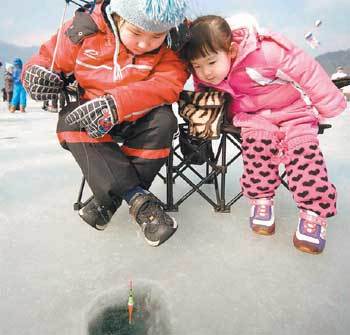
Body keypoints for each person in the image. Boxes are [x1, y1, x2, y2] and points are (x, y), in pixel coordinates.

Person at [23, 0, 189, 246]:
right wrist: (34, 73)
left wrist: (116, 104)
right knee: (70, 120)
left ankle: (106, 202)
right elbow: (48, 58)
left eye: (156, 36)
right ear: (117, 17)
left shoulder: (171, 44)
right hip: (91, 117)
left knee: (164, 120)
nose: (145, 44)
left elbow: (168, 84)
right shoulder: (84, 31)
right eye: (136, 33)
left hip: (140, 117)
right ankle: (138, 200)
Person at [181, 15, 347, 254]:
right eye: (197, 66)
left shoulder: (265, 52)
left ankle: (313, 213)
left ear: (231, 50)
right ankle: (261, 200)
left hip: (293, 111)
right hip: (254, 117)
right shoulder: (209, 72)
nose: (205, 72)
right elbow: (205, 92)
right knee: (256, 149)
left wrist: (329, 104)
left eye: (210, 62)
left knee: (304, 154)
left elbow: (306, 71)